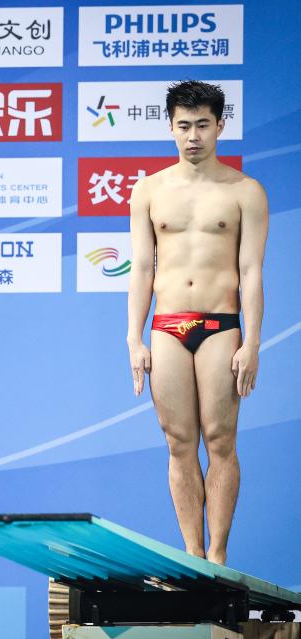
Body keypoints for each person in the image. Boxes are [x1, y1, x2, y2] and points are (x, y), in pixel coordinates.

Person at [127, 80, 268, 565]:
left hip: (221, 325)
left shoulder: (246, 192)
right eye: (184, 125)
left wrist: (252, 342)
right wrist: (133, 338)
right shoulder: (148, 191)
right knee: (179, 442)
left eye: (203, 125)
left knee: (221, 439)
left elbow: (251, 271)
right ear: (170, 127)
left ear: (220, 126)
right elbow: (141, 268)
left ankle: (218, 557)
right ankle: (191, 556)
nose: (193, 136)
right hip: (167, 325)